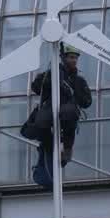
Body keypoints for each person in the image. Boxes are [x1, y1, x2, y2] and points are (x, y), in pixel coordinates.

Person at [29, 44, 92, 185]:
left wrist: (76, 93)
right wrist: (48, 78)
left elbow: (86, 102)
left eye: (75, 58)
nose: (74, 60)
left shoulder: (78, 80)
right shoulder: (52, 75)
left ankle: (65, 149)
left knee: (68, 114)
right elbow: (36, 87)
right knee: (41, 122)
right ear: (63, 58)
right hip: (50, 112)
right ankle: (48, 148)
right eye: (71, 57)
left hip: (66, 117)